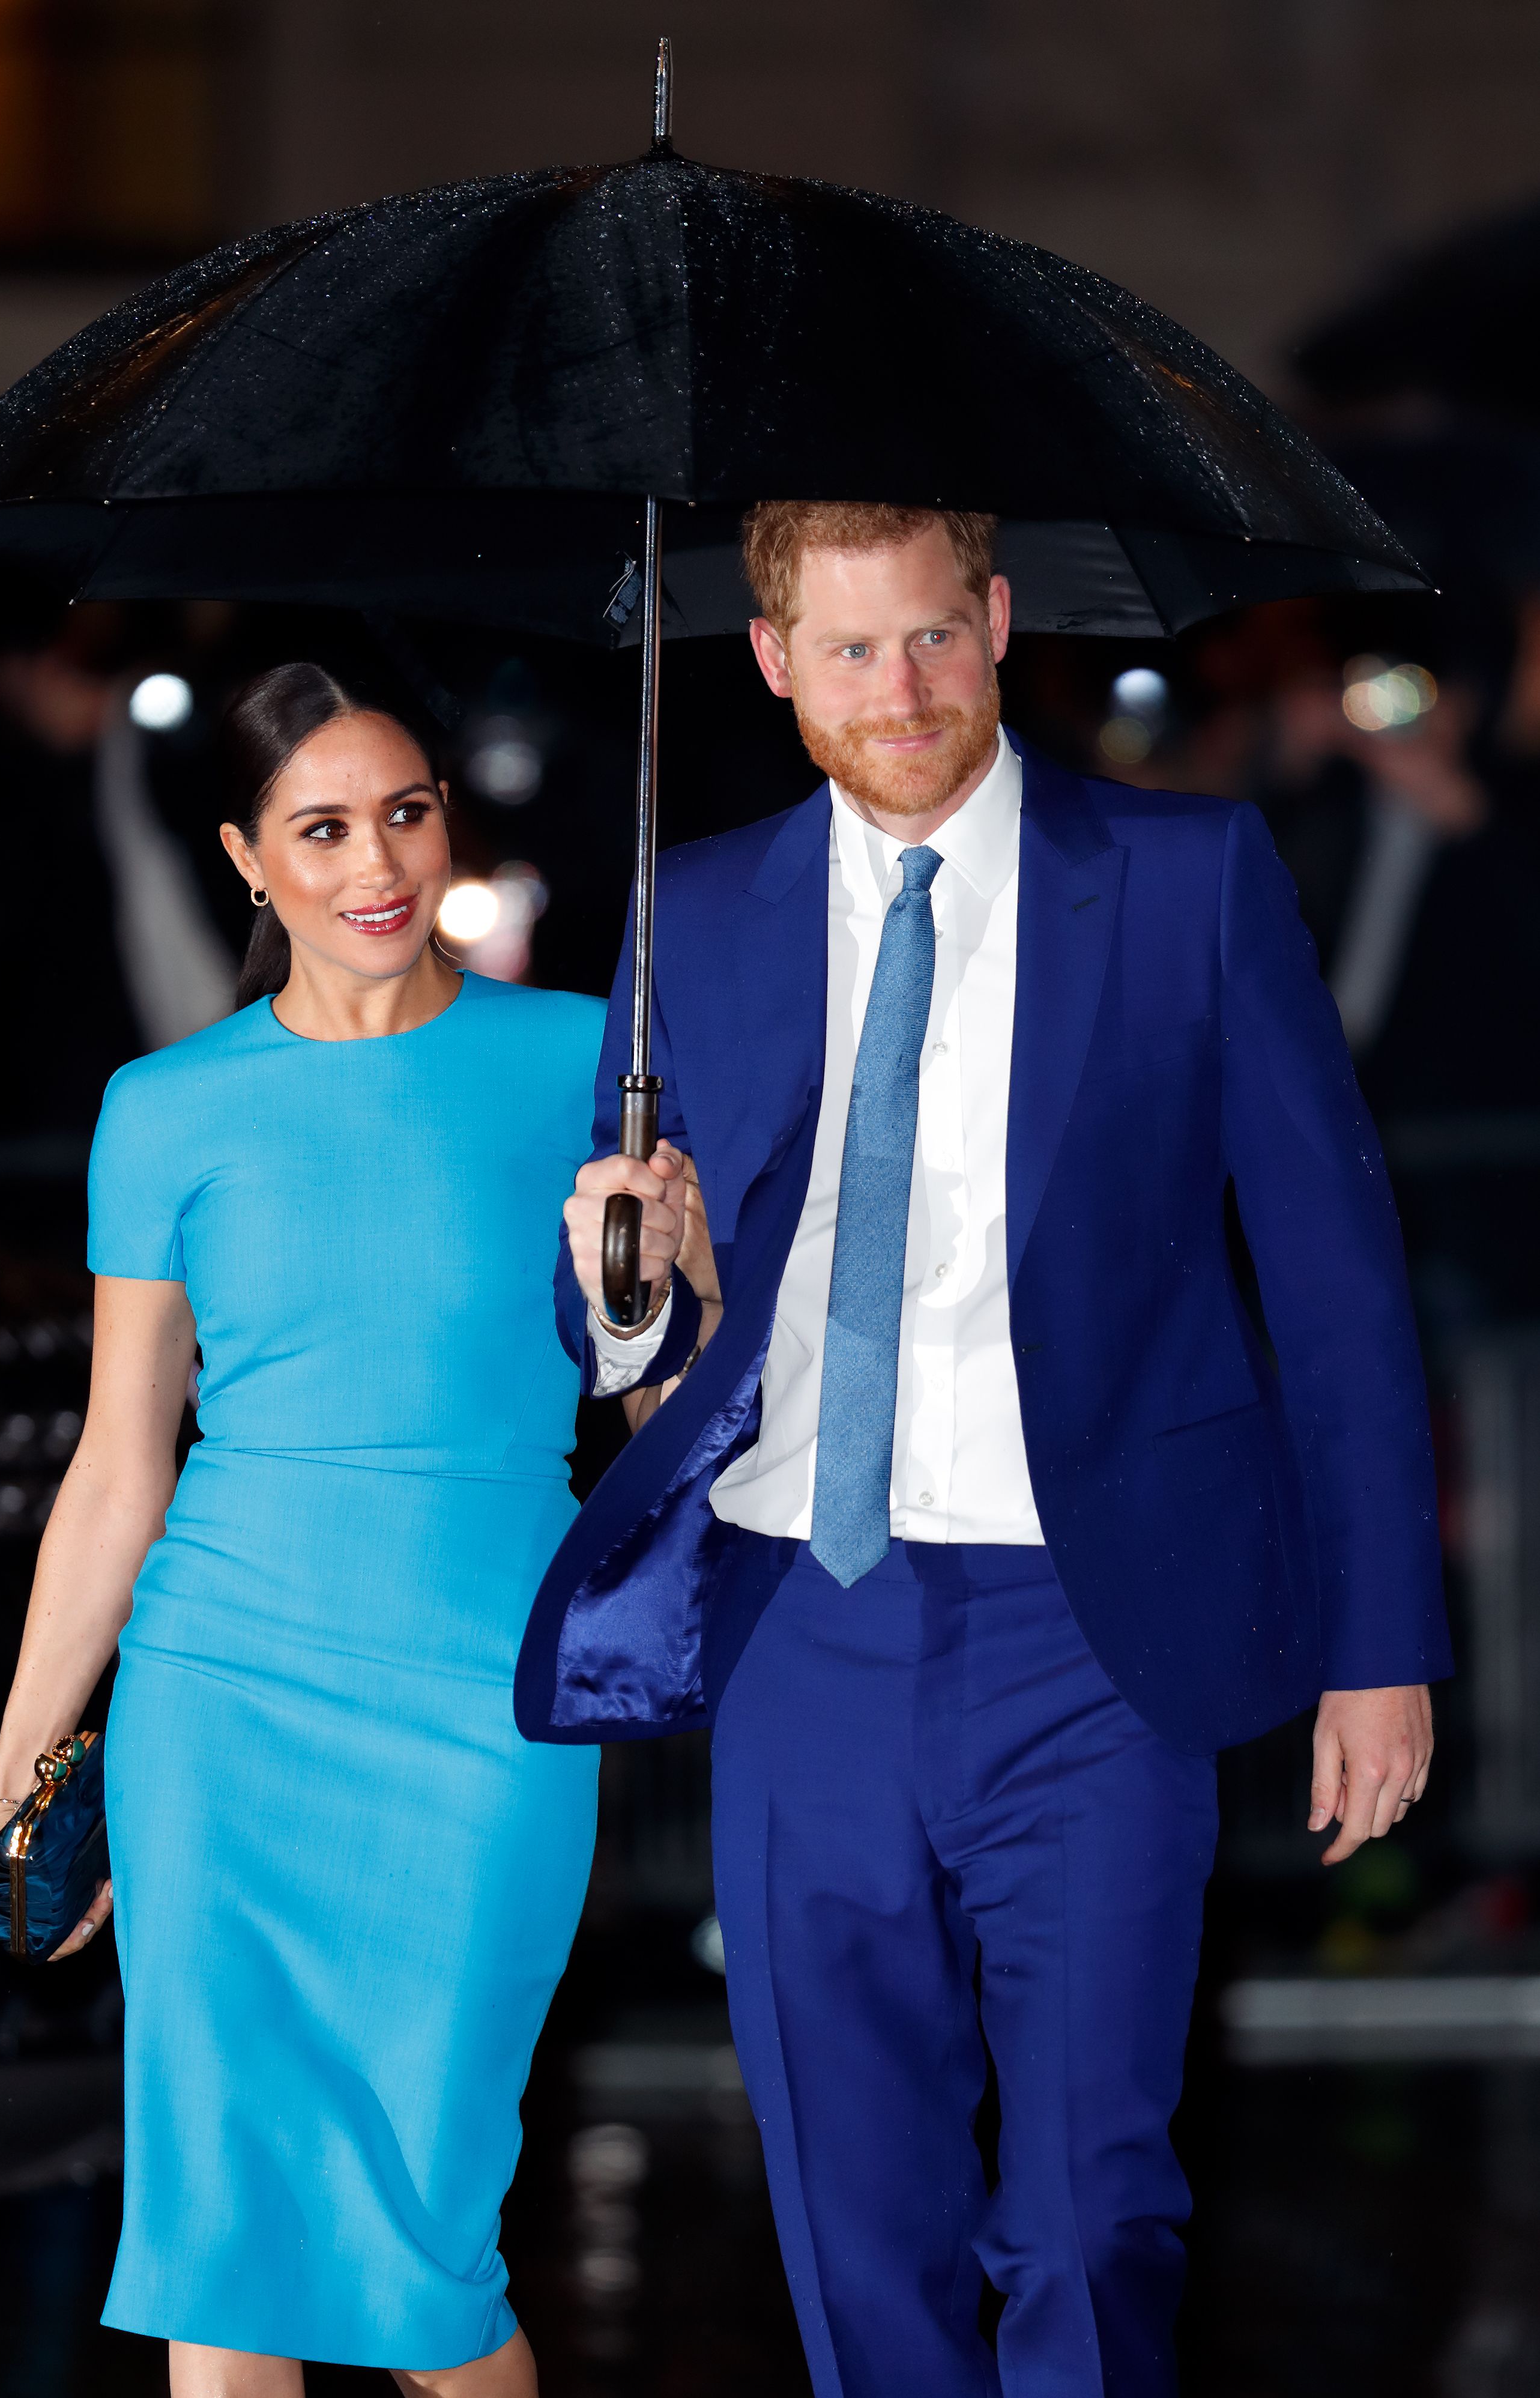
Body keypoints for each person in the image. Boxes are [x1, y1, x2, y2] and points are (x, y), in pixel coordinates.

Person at [516, 504, 1452, 2397]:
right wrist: (624, 1281)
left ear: (999, 619)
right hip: (804, 1633)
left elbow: (1339, 1285)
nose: (904, 691)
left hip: (1094, 1635)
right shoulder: (688, 909)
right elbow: (630, 1332)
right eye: (851, 652)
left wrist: (1381, 1642)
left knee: (1093, 2209)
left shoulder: (1183, 877)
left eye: (934, 636)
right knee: (854, 2224)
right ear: (772, 660)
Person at [0, 664, 602, 2397]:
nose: (377, 860)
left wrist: (660, 1269)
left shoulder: (586, 1061)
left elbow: (664, 1391)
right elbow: (121, 1462)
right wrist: (29, 1751)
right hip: (222, 1703)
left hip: (487, 1697)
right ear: (251, 858)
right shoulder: (168, 1106)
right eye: (323, 827)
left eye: (405, 809)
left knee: (432, 2250)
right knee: (225, 2249)